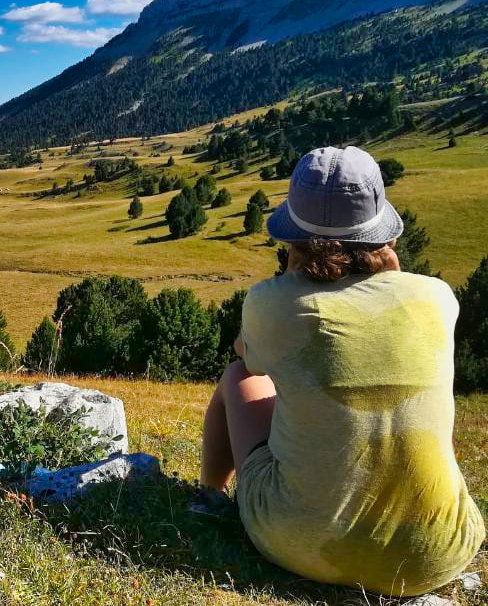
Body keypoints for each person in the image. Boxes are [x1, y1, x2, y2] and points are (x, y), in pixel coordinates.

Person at [199, 146, 485, 597]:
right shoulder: (437, 297)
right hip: (437, 556)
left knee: (239, 376)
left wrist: (293, 276)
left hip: (297, 543)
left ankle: (211, 495)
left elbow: (247, 358)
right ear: (382, 234)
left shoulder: (270, 302)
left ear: (292, 237)